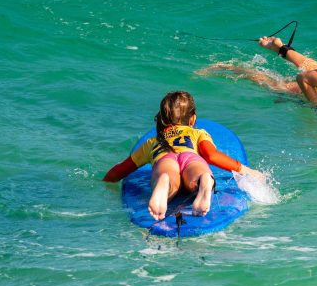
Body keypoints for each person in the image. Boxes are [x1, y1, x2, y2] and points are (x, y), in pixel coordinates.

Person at [103, 91, 264, 220]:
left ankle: (163, 183)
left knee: (167, 177)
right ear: (192, 119)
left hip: (164, 160)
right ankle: (204, 180)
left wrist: (106, 180)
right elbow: (211, 156)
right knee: (197, 175)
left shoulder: (152, 141)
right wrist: (246, 171)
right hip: (190, 157)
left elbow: (119, 171)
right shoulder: (197, 133)